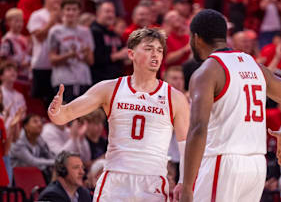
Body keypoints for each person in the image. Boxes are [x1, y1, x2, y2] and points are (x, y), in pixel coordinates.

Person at [177, 9, 281, 202]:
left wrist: (187, 185)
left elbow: (198, 129)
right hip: (255, 166)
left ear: (196, 38)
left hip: (224, 163)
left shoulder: (207, 72)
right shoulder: (254, 65)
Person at [47, 28, 190, 201]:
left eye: (159, 50)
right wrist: (56, 111)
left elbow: (187, 146)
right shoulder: (110, 88)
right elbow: (65, 114)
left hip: (153, 181)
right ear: (131, 54)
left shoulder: (174, 97)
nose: (155, 54)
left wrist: (184, 181)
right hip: (116, 179)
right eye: (148, 49)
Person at [48, 0, 94, 103]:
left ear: (79, 12)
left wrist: (85, 53)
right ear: (62, 11)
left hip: (83, 79)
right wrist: (69, 55)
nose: (71, 12)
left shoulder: (85, 31)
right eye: (68, 9)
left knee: (82, 116)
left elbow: (91, 61)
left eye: (74, 9)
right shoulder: (55, 31)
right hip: (63, 80)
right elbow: (52, 59)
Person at [27, 0, 62, 105]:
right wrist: (52, 21)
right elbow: (39, 37)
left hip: (60, 66)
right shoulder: (37, 15)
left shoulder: (64, 16)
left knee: (57, 101)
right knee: (41, 102)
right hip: (41, 65)